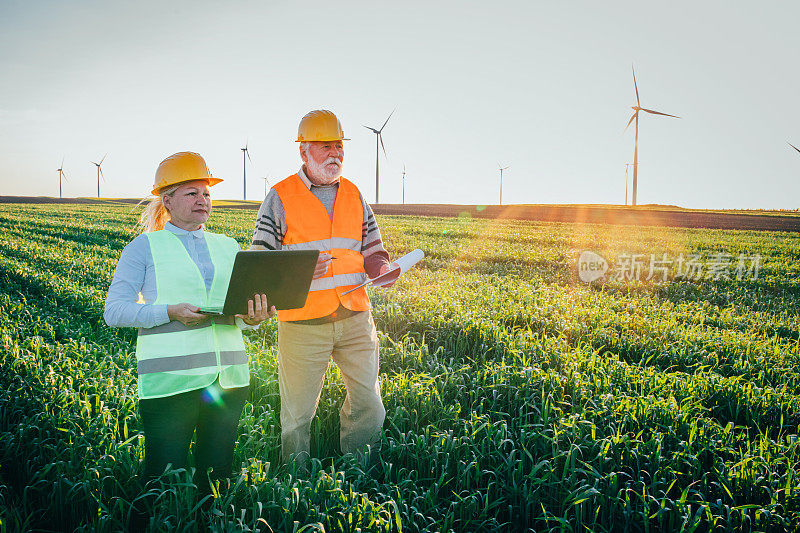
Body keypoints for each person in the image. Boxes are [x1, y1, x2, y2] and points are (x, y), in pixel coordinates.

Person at [104, 151, 276, 498]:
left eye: (207, 193)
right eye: (192, 193)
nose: (203, 200)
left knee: (217, 480)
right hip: (171, 384)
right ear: (166, 200)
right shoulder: (143, 248)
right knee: (161, 480)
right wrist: (169, 311)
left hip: (228, 381)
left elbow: (234, 313)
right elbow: (115, 311)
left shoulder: (227, 246)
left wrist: (253, 319)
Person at [250, 110, 394, 468]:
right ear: (304, 152)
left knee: (369, 402)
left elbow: (372, 249)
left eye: (340, 146)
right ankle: (294, 482)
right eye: (326, 146)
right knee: (297, 414)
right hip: (303, 323)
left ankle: (358, 471)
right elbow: (259, 260)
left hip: (356, 318)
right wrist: (295, 270)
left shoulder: (355, 194)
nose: (336, 153)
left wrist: (383, 268)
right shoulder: (280, 196)